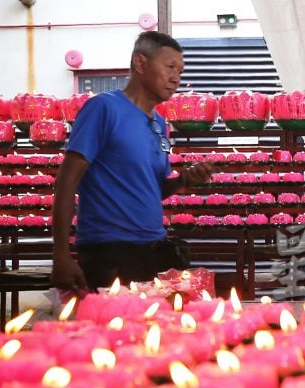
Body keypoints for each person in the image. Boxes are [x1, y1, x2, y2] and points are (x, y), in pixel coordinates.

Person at [51, 31, 213, 293]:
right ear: (140, 63)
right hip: (109, 252)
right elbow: (67, 179)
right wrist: (60, 254)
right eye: (170, 67)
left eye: (180, 71)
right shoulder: (104, 108)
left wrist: (184, 180)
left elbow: (153, 190)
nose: (176, 78)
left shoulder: (159, 124)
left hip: (152, 249)